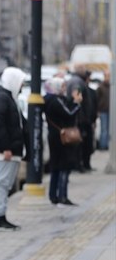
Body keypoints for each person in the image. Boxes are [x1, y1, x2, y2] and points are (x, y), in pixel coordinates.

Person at [0, 67, 27, 232]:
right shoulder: (1, 98)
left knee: (5, 184)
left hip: (8, 151)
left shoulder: (8, 97)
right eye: (20, 82)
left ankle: (1, 216)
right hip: (3, 152)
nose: (22, 86)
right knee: (1, 183)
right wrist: (6, 147)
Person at [44, 77, 82, 207]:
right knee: (63, 166)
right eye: (62, 86)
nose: (65, 89)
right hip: (60, 137)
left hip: (55, 136)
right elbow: (69, 113)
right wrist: (77, 103)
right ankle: (62, 196)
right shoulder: (55, 101)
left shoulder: (51, 99)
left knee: (55, 166)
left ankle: (54, 195)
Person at [67, 67, 96, 171]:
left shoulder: (74, 81)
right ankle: (79, 165)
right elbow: (77, 98)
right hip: (80, 119)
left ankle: (80, 164)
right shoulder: (77, 82)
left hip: (80, 118)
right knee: (81, 143)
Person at [96, 72, 110, 151]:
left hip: (110, 111)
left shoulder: (111, 87)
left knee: (109, 129)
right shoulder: (101, 87)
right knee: (103, 129)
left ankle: (107, 144)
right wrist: (97, 110)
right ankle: (102, 145)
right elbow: (97, 99)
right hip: (103, 111)